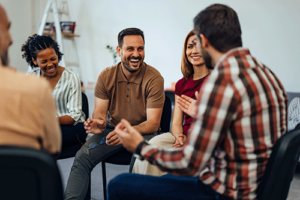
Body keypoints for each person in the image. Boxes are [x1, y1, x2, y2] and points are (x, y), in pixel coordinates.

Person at [108, 4, 288, 200]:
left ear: (204, 41)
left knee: (119, 185)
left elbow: (189, 162)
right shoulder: (268, 75)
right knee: (164, 179)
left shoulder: (221, 82)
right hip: (258, 188)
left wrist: (140, 146)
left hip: (224, 192)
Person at [64, 27, 165, 199]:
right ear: (119, 50)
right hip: (112, 131)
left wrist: (126, 133)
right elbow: (100, 112)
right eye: (130, 49)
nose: (136, 54)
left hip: (145, 134)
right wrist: (99, 122)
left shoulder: (154, 78)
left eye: (140, 48)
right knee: (82, 157)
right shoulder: (106, 76)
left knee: (141, 163)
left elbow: (153, 123)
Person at [133, 30, 210, 176]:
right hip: (183, 138)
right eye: (190, 46)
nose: (194, 51)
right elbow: (176, 123)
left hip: (204, 143)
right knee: (149, 149)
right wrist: (180, 136)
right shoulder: (182, 84)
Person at [0, 5, 61, 157]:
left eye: (53, 58)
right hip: (22, 177)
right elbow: (53, 147)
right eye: (7, 29)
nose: (11, 40)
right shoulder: (36, 88)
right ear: (35, 61)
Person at [21, 34, 87, 152]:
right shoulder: (31, 79)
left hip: (71, 128)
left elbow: (74, 116)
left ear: (57, 54)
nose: (50, 64)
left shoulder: (72, 77)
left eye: (53, 59)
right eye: (44, 61)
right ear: (34, 61)